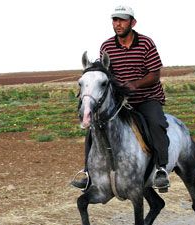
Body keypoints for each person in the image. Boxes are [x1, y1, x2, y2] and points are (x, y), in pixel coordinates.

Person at [71, 5, 170, 191]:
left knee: (156, 123)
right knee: (95, 126)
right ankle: (87, 172)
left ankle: (161, 169)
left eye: (122, 20)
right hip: (120, 101)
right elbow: (105, 74)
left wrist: (135, 84)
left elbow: (154, 75)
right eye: (115, 20)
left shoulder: (146, 43)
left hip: (146, 97)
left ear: (132, 22)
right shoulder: (107, 46)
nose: (118, 24)